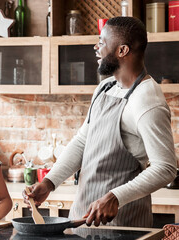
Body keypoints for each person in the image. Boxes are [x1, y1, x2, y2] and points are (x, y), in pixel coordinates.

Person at [23, 17, 177, 227]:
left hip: (123, 224)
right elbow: (82, 141)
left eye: (102, 42)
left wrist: (115, 197)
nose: (96, 47)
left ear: (122, 50)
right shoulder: (105, 88)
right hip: (82, 218)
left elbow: (165, 167)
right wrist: (49, 182)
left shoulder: (147, 101)